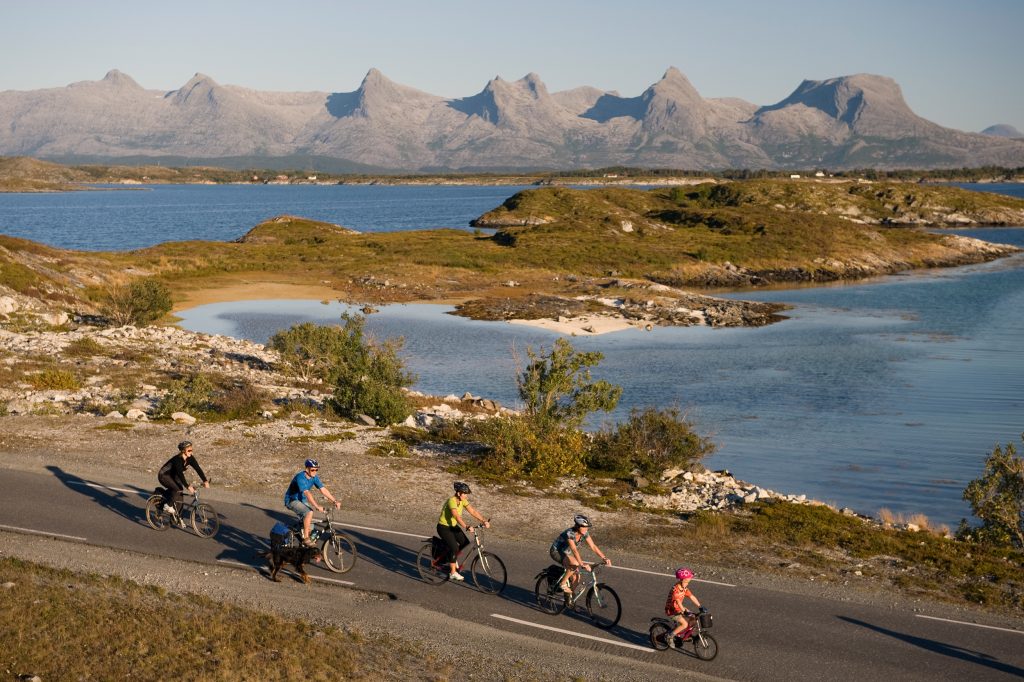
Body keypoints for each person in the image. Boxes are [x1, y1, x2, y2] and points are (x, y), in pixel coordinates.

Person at [436, 481, 490, 581]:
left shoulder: (462, 501)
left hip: (452, 527)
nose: (466, 496)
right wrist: (466, 526)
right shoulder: (451, 501)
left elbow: (472, 511)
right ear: (458, 493)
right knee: (455, 548)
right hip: (443, 527)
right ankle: (452, 572)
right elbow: (456, 516)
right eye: (465, 494)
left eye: (466, 494)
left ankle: (450, 559)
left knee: (465, 543)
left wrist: (483, 520)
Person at [284, 458, 341, 547]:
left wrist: (334, 501)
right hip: (292, 500)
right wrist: (317, 506)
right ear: (307, 469)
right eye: (313, 469)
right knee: (309, 512)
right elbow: (307, 493)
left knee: (310, 527)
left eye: (316, 470)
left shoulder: (314, 477)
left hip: (302, 500)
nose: (315, 471)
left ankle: (305, 545)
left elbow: (323, 489)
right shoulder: (300, 477)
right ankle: (306, 538)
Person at [549, 514, 611, 596]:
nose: (586, 529)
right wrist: (582, 564)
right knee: (575, 564)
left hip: (566, 553)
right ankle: (562, 583)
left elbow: (593, 546)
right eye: (584, 527)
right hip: (556, 552)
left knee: (576, 577)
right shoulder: (570, 533)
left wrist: (604, 557)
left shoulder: (584, 533)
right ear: (578, 526)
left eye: (587, 527)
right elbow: (574, 550)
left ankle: (569, 598)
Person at [158, 440, 209, 527]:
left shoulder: (190, 458)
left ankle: (178, 517)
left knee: (180, 493)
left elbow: (198, 469)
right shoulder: (177, 460)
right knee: (177, 489)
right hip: (164, 475)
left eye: (192, 450)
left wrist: (205, 480)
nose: (191, 452)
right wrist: (187, 486)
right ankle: (167, 505)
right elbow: (180, 474)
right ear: (183, 451)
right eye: (189, 450)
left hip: (174, 476)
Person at [663, 567, 706, 648]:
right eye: (686, 582)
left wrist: (700, 606)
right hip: (672, 610)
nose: (688, 584)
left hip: (679, 608)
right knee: (684, 624)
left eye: (688, 582)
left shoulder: (684, 588)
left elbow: (691, 596)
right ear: (682, 580)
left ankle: (687, 634)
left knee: (693, 617)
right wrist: (684, 610)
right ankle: (670, 636)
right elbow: (678, 602)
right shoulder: (675, 590)